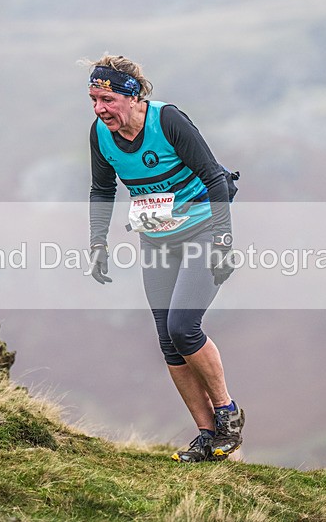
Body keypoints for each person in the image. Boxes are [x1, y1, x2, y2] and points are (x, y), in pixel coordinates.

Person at [85, 54, 244, 463]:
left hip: (204, 231)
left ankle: (228, 414)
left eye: (107, 99)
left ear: (132, 96)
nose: (100, 109)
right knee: (167, 341)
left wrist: (224, 241)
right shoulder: (100, 135)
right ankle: (207, 436)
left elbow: (213, 177)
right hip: (157, 240)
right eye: (93, 99)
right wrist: (97, 242)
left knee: (184, 326)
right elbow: (103, 190)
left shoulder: (168, 121)